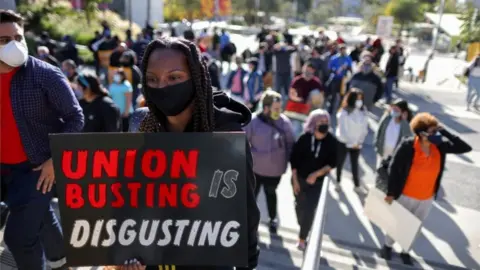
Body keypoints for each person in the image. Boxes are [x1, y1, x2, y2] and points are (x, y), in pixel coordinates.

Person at [128, 37, 259, 270]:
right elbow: (129, 200)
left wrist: (247, 263)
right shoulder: (142, 125)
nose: (162, 86)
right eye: (152, 79)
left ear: (195, 78)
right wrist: (127, 253)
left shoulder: (224, 134)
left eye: (175, 77)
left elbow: (244, 211)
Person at [0, 9, 84, 270]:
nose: (14, 44)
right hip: (4, 170)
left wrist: (53, 160)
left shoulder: (45, 75)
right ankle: (61, 260)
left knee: (18, 238)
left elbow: (75, 118)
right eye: (4, 40)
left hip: (36, 170)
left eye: (18, 36)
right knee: (40, 218)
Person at [382, 112, 472, 265]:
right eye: (432, 131)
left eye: (436, 130)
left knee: (415, 227)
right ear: (421, 132)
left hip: (426, 198)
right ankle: (387, 246)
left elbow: (465, 147)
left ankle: (405, 251)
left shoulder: (439, 146)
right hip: (405, 195)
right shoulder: (408, 146)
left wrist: (444, 132)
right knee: (397, 223)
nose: (435, 133)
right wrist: (391, 192)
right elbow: (394, 169)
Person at [244, 90, 295, 234]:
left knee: (271, 193)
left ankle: (273, 219)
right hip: (255, 169)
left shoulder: (284, 122)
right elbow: (242, 140)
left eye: (280, 108)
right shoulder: (253, 121)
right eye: (276, 108)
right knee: (253, 195)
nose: (279, 111)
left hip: (275, 171)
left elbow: (291, 143)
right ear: (266, 107)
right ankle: (249, 222)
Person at [290, 109, 337, 251]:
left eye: (326, 122)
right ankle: (303, 226)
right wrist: (295, 181)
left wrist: (316, 174)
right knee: (300, 208)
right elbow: (294, 160)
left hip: (316, 184)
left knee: (310, 210)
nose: (324, 124)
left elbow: (333, 163)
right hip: (299, 180)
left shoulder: (331, 141)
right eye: (320, 122)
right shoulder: (304, 138)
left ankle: (302, 238)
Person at [334, 89, 369, 193]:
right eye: (357, 99)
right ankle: (338, 182)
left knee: (354, 164)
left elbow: (364, 128)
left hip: (357, 144)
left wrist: (359, 142)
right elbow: (342, 129)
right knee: (340, 163)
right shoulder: (344, 112)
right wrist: (350, 142)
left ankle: (356, 184)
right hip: (343, 142)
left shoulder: (363, 111)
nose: (359, 101)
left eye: (361, 99)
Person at [288, 62, 324, 136]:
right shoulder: (297, 80)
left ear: (313, 71)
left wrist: (313, 104)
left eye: (309, 70)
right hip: (298, 108)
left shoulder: (316, 82)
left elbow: (321, 96)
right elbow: (291, 94)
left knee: (310, 130)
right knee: (296, 129)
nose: (307, 72)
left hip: (311, 109)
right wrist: (299, 99)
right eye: (305, 69)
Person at [327, 44, 352, 114]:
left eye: (344, 50)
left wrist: (346, 68)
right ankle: (330, 110)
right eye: (341, 50)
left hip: (343, 80)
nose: (343, 51)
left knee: (342, 95)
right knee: (333, 95)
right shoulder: (334, 58)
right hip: (335, 79)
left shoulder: (348, 58)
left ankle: (340, 110)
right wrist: (335, 70)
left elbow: (350, 68)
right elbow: (329, 68)